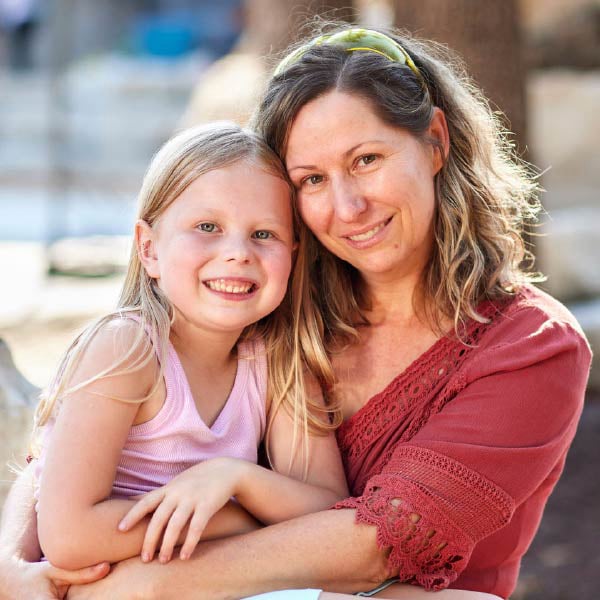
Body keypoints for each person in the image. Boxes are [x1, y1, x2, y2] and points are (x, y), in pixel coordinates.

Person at [0, 25, 591, 600]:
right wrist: (9, 567)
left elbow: (377, 544)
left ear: (435, 141)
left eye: (366, 159)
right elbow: (65, 453)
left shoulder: (531, 347)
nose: (348, 205)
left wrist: (147, 585)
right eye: (311, 179)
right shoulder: (278, 320)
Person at [4, 121, 350, 577]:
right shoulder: (127, 349)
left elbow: (330, 508)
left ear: (294, 252)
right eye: (208, 227)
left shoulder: (277, 360)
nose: (237, 253)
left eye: (263, 234)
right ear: (149, 249)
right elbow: (70, 537)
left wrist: (235, 478)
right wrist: (244, 517)